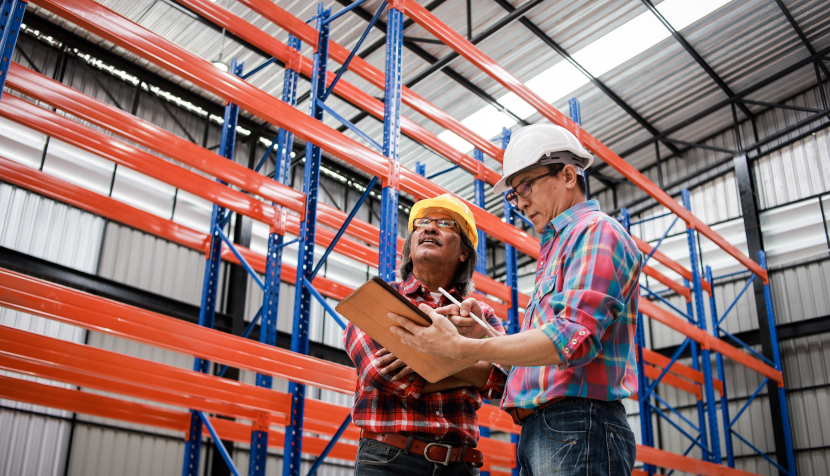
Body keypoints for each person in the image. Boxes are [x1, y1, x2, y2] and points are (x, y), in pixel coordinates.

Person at [388, 124, 644, 476]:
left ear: (568, 174)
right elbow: (535, 363)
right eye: (513, 194)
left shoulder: (595, 231)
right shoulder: (558, 246)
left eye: (526, 185)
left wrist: (461, 347)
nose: (520, 202)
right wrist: (481, 334)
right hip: (549, 429)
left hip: (577, 424)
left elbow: (570, 340)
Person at [343, 193, 508, 476]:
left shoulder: (481, 316)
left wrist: (430, 356)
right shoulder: (378, 298)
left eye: (446, 223)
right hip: (389, 460)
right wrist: (472, 364)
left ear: (463, 253)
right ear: (409, 248)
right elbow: (381, 374)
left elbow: (503, 382)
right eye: (422, 223)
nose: (430, 228)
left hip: (461, 465)